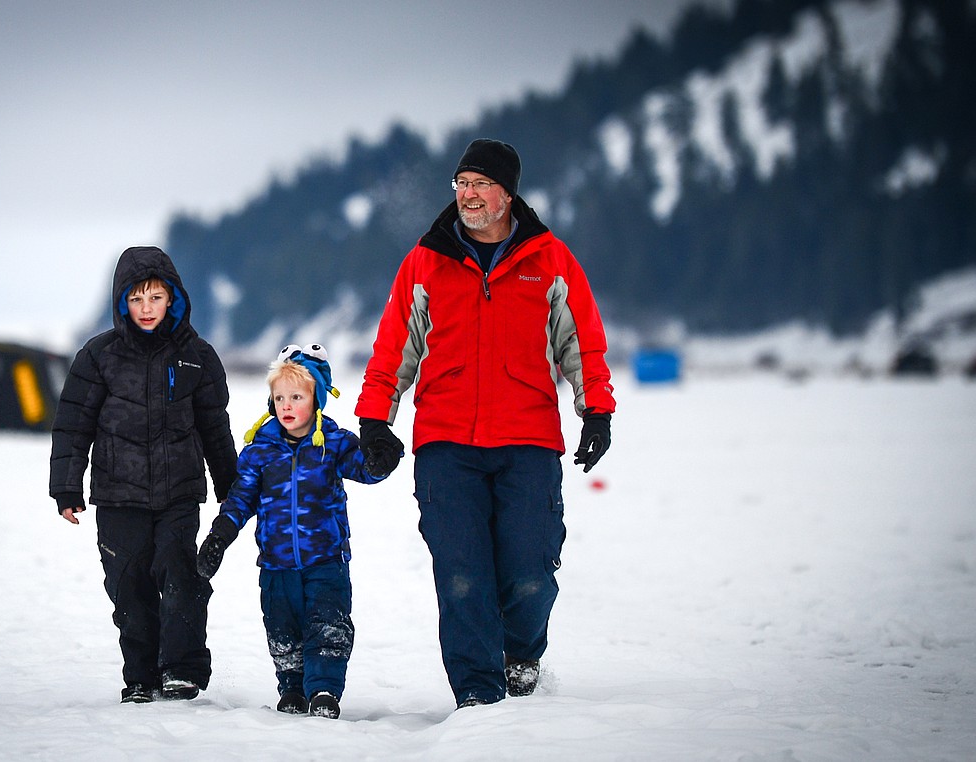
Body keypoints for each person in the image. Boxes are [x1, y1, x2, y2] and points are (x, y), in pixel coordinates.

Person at [355, 138, 616, 709]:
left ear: (507, 193)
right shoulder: (426, 260)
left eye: (480, 185)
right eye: (461, 184)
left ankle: (519, 656)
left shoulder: (550, 261)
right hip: (447, 445)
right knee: (462, 575)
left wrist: (596, 409)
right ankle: (478, 694)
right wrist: (376, 419)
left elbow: (583, 344)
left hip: (528, 441)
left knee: (530, 571)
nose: (468, 196)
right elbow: (393, 347)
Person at [49, 245, 238, 704]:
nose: (146, 308)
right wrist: (67, 487)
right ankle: (141, 677)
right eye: (136, 300)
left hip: (178, 493)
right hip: (118, 495)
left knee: (181, 577)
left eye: (155, 298)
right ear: (121, 303)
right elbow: (74, 424)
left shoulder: (197, 356)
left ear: (172, 298)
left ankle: (181, 670)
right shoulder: (98, 358)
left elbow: (215, 427)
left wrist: (232, 487)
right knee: (128, 588)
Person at [196, 344, 390, 720]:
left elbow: (366, 471)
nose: (286, 405)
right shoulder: (260, 450)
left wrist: (382, 455)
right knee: (282, 630)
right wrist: (219, 537)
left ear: (316, 398)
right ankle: (292, 688)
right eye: (279, 397)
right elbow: (240, 499)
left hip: (325, 561)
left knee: (328, 627)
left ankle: (323, 692)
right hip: (277, 564)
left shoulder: (333, 443)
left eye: (296, 397)